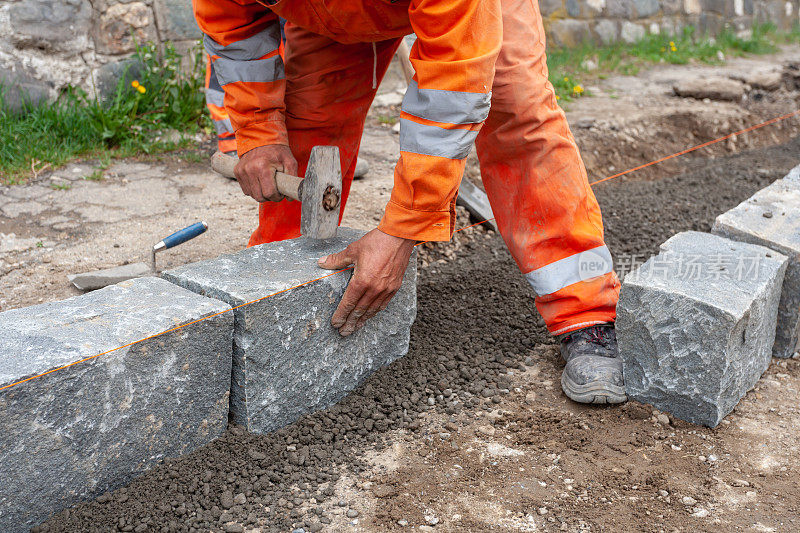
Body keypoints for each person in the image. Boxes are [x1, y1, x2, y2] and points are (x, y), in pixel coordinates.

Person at [193, 0, 626, 405]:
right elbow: (236, 29)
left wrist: (403, 229)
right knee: (308, 125)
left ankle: (585, 312)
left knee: (514, 106)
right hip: (325, 14)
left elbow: (452, 91)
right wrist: (260, 130)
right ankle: (275, 291)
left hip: (467, 12)